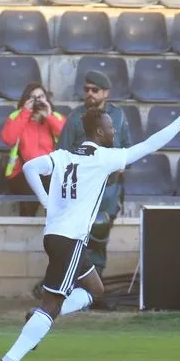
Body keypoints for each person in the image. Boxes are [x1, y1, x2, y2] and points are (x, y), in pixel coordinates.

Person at [0, 97, 180, 361]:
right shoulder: (103, 159)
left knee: (94, 288)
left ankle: (38, 317)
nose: (114, 132)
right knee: (52, 303)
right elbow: (150, 145)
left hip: (57, 236)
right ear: (99, 133)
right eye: (111, 128)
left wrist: (49, 204)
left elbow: (29, 168)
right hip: (69, 241)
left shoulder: (63, 156)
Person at [56, 70, 132, 276]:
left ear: (106, 93)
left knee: (99, 235)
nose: (89, 93)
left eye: (95, 90)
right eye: (87, 89)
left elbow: (127, 147)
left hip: (109, 188)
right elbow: (61, 153)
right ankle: (75, 282)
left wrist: (123, 163)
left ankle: (93, 287)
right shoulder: (75, 117)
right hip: (83, 188)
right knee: (80, 236)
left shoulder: (118, 116)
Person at [1, 82, 66, 216]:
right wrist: (25, 113)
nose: (37, 101)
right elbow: (8, 139)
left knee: (59, 190)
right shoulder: (16, 116)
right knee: (31, 190)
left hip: (50, 171)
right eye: (33, 98)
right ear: (26, 100)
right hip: (21, 172)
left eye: (41, 97)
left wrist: (49, 117)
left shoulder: (56, 117)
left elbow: (67, 138)